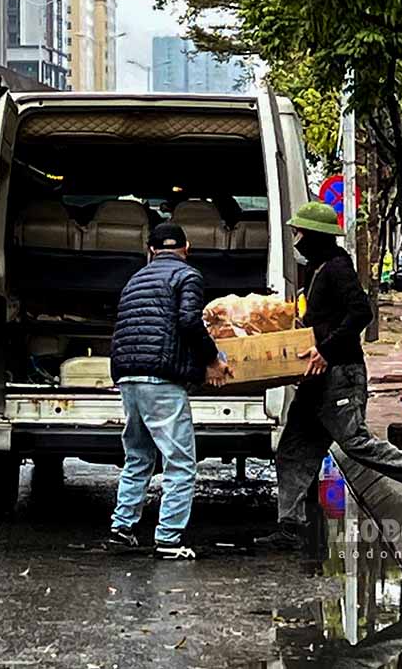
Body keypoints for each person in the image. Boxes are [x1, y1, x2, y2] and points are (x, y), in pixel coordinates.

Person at [256, 202, 402, 550]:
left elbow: (361, 312)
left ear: (315, 236)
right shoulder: (317, 268)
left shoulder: (338, 268)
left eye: (300, 233)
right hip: (316, 376)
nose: (296, 239)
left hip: (340, 373)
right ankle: (290, 525)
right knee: (293, 449)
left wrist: (325, 350)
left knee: (355, 441)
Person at [107, 223, 230, 561]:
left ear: (150, 250)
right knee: (180, 463)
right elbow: (190, 321)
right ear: (186, 247)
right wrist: (212, 360)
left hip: (128, 377)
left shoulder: (136, 279)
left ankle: (122, 528)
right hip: (161, 379)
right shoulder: (187, 276)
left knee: (138, 457)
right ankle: (169, 539)